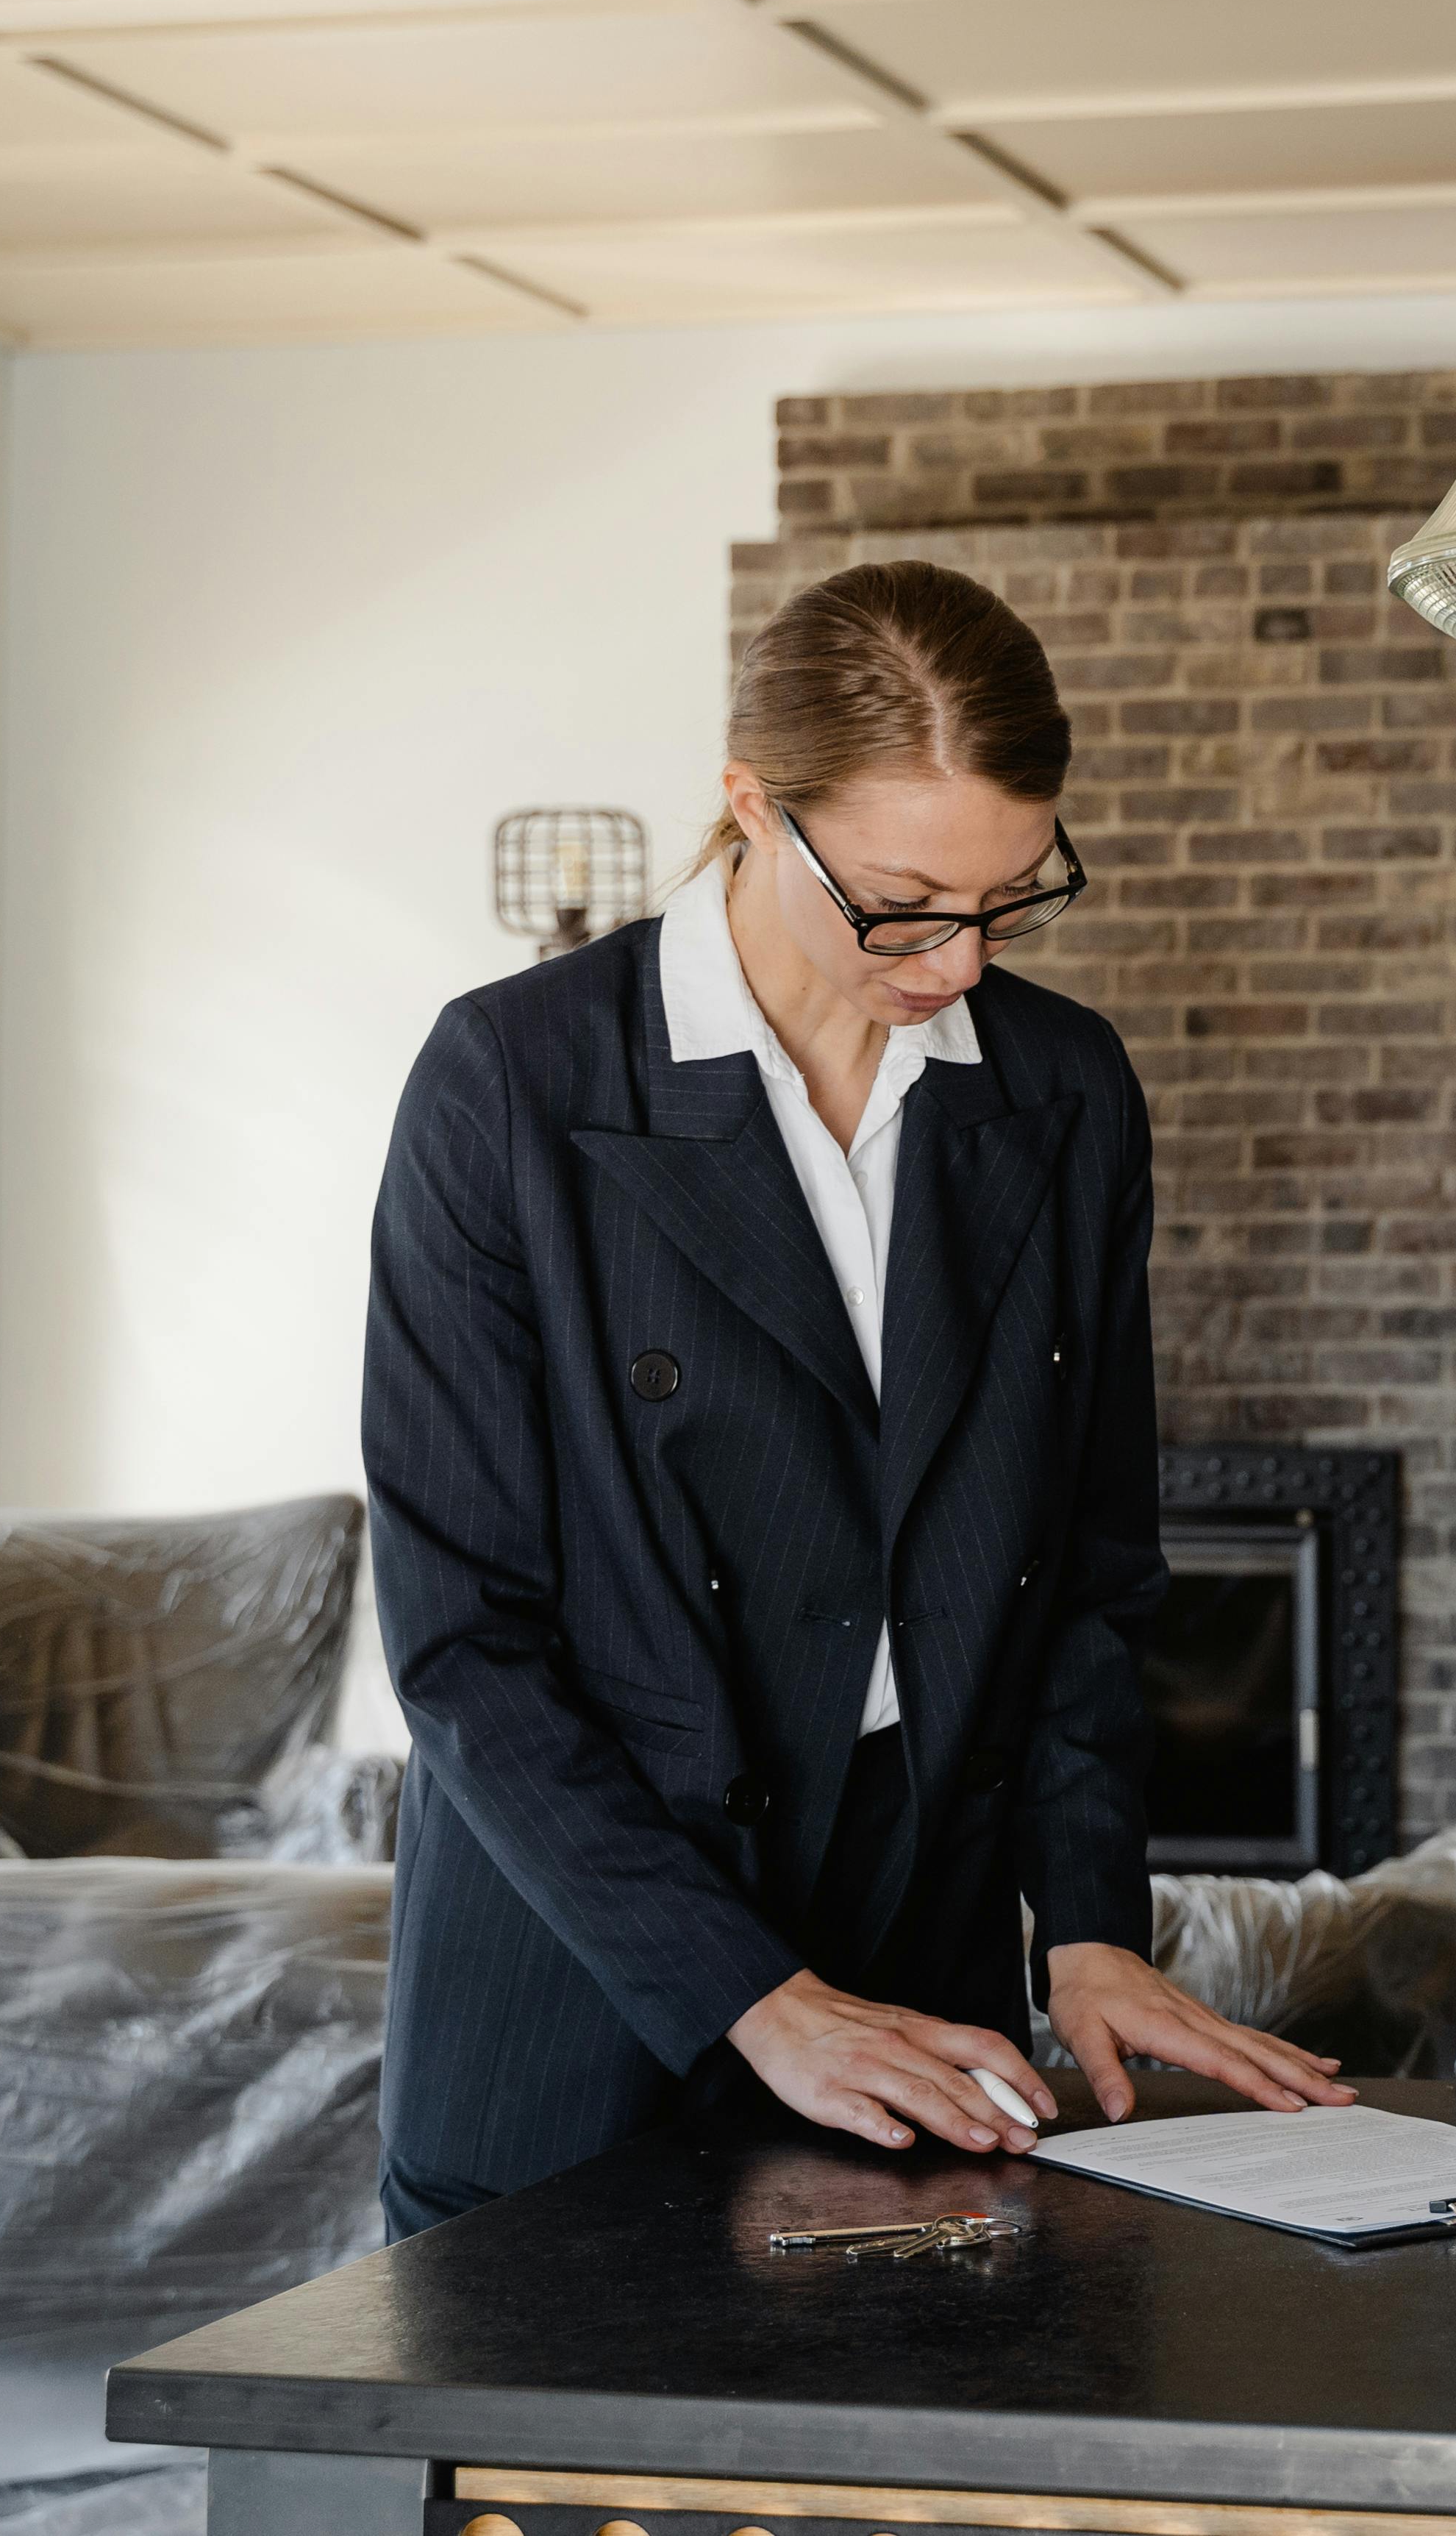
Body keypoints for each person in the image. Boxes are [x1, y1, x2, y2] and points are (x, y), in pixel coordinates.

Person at [361, 559, 1347, 2239]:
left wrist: (1089, 1923)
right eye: (902, 903)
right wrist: (754, 1992)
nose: (958, 960)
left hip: (922, 1928)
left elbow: (1088, 1573)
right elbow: (465, 1645)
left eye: (1008, 898)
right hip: (580, 1966)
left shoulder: (1064, 1091)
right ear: (749, 804)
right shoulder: (508, 1085)